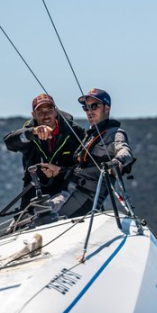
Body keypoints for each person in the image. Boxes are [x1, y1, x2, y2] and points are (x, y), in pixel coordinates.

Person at [50, 88, 134, 218]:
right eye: (86, 108)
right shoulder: (89, 135)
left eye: (94, 106)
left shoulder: (115, 133)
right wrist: (58, 169)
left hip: (85, 196)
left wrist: (117, 161)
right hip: (69, 191)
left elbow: (125, 150)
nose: (89, 111)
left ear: (107, 108)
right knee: (35, 213)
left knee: (46, 217)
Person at [2, 93, 85, 211]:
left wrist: (60, 170)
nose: (46, 115)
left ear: (56, 111)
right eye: (40, 112)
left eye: (49, 110)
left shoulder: (73, 131)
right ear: (33, 115)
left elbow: (84, 165)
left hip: (65, 194)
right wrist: (33, 133)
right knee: (21, 226)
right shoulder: (29, 132)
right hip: (34, 194)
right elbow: (9, 142)